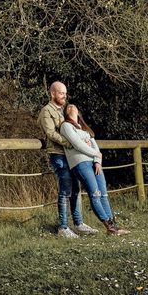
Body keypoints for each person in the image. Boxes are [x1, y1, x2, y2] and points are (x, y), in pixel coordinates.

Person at [37, 81, 98, 238]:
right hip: (58, 155)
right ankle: (63, 228)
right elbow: (51, 134)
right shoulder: (46, 111)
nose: (64, 95)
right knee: (65, 190)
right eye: (61, 93)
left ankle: (78, 224)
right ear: (53, 94)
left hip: (70, 155)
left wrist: (81, 139)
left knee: (76, 189)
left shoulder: (64, 111)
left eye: (65, 93)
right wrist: (71, 143)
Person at [60, 104, 130, 236]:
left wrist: (97, 160)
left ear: (78, 111)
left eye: (73, 106)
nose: (71, 107)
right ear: (66, 112)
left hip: (94, 162)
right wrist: (94, 152)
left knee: (103, 194)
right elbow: (77, 144)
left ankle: (114, 226)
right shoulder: (66, 126)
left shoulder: (84, 129)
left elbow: (95, 147)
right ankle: (109, 227)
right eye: (68, 106)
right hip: (81, 163)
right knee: (95, 193)